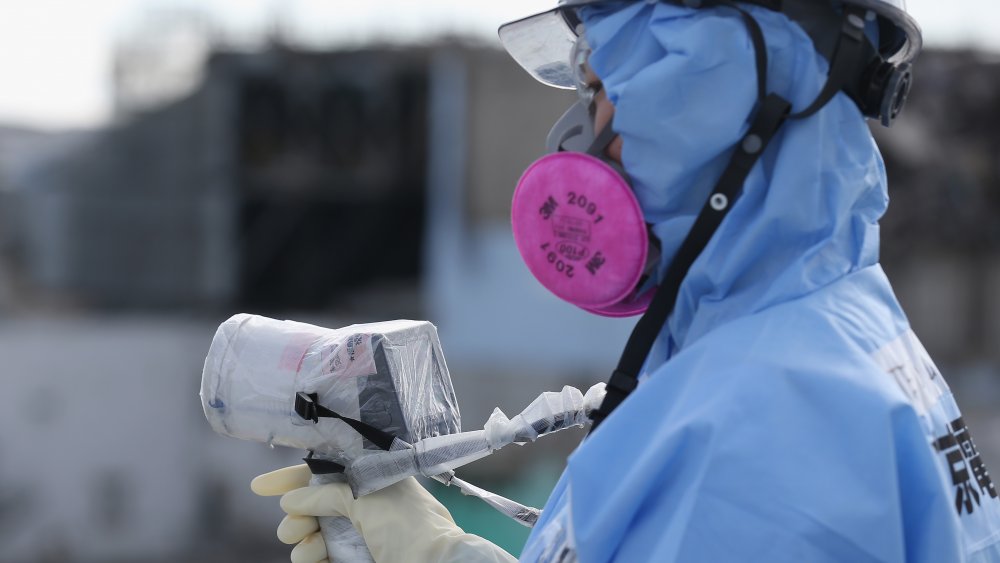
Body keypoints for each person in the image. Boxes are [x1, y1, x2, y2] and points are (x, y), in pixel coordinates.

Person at [251, 1, 1000, 561]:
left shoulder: (746, 429)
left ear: (703, 104)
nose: (576, 135)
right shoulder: (826, 329)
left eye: (604, 88)